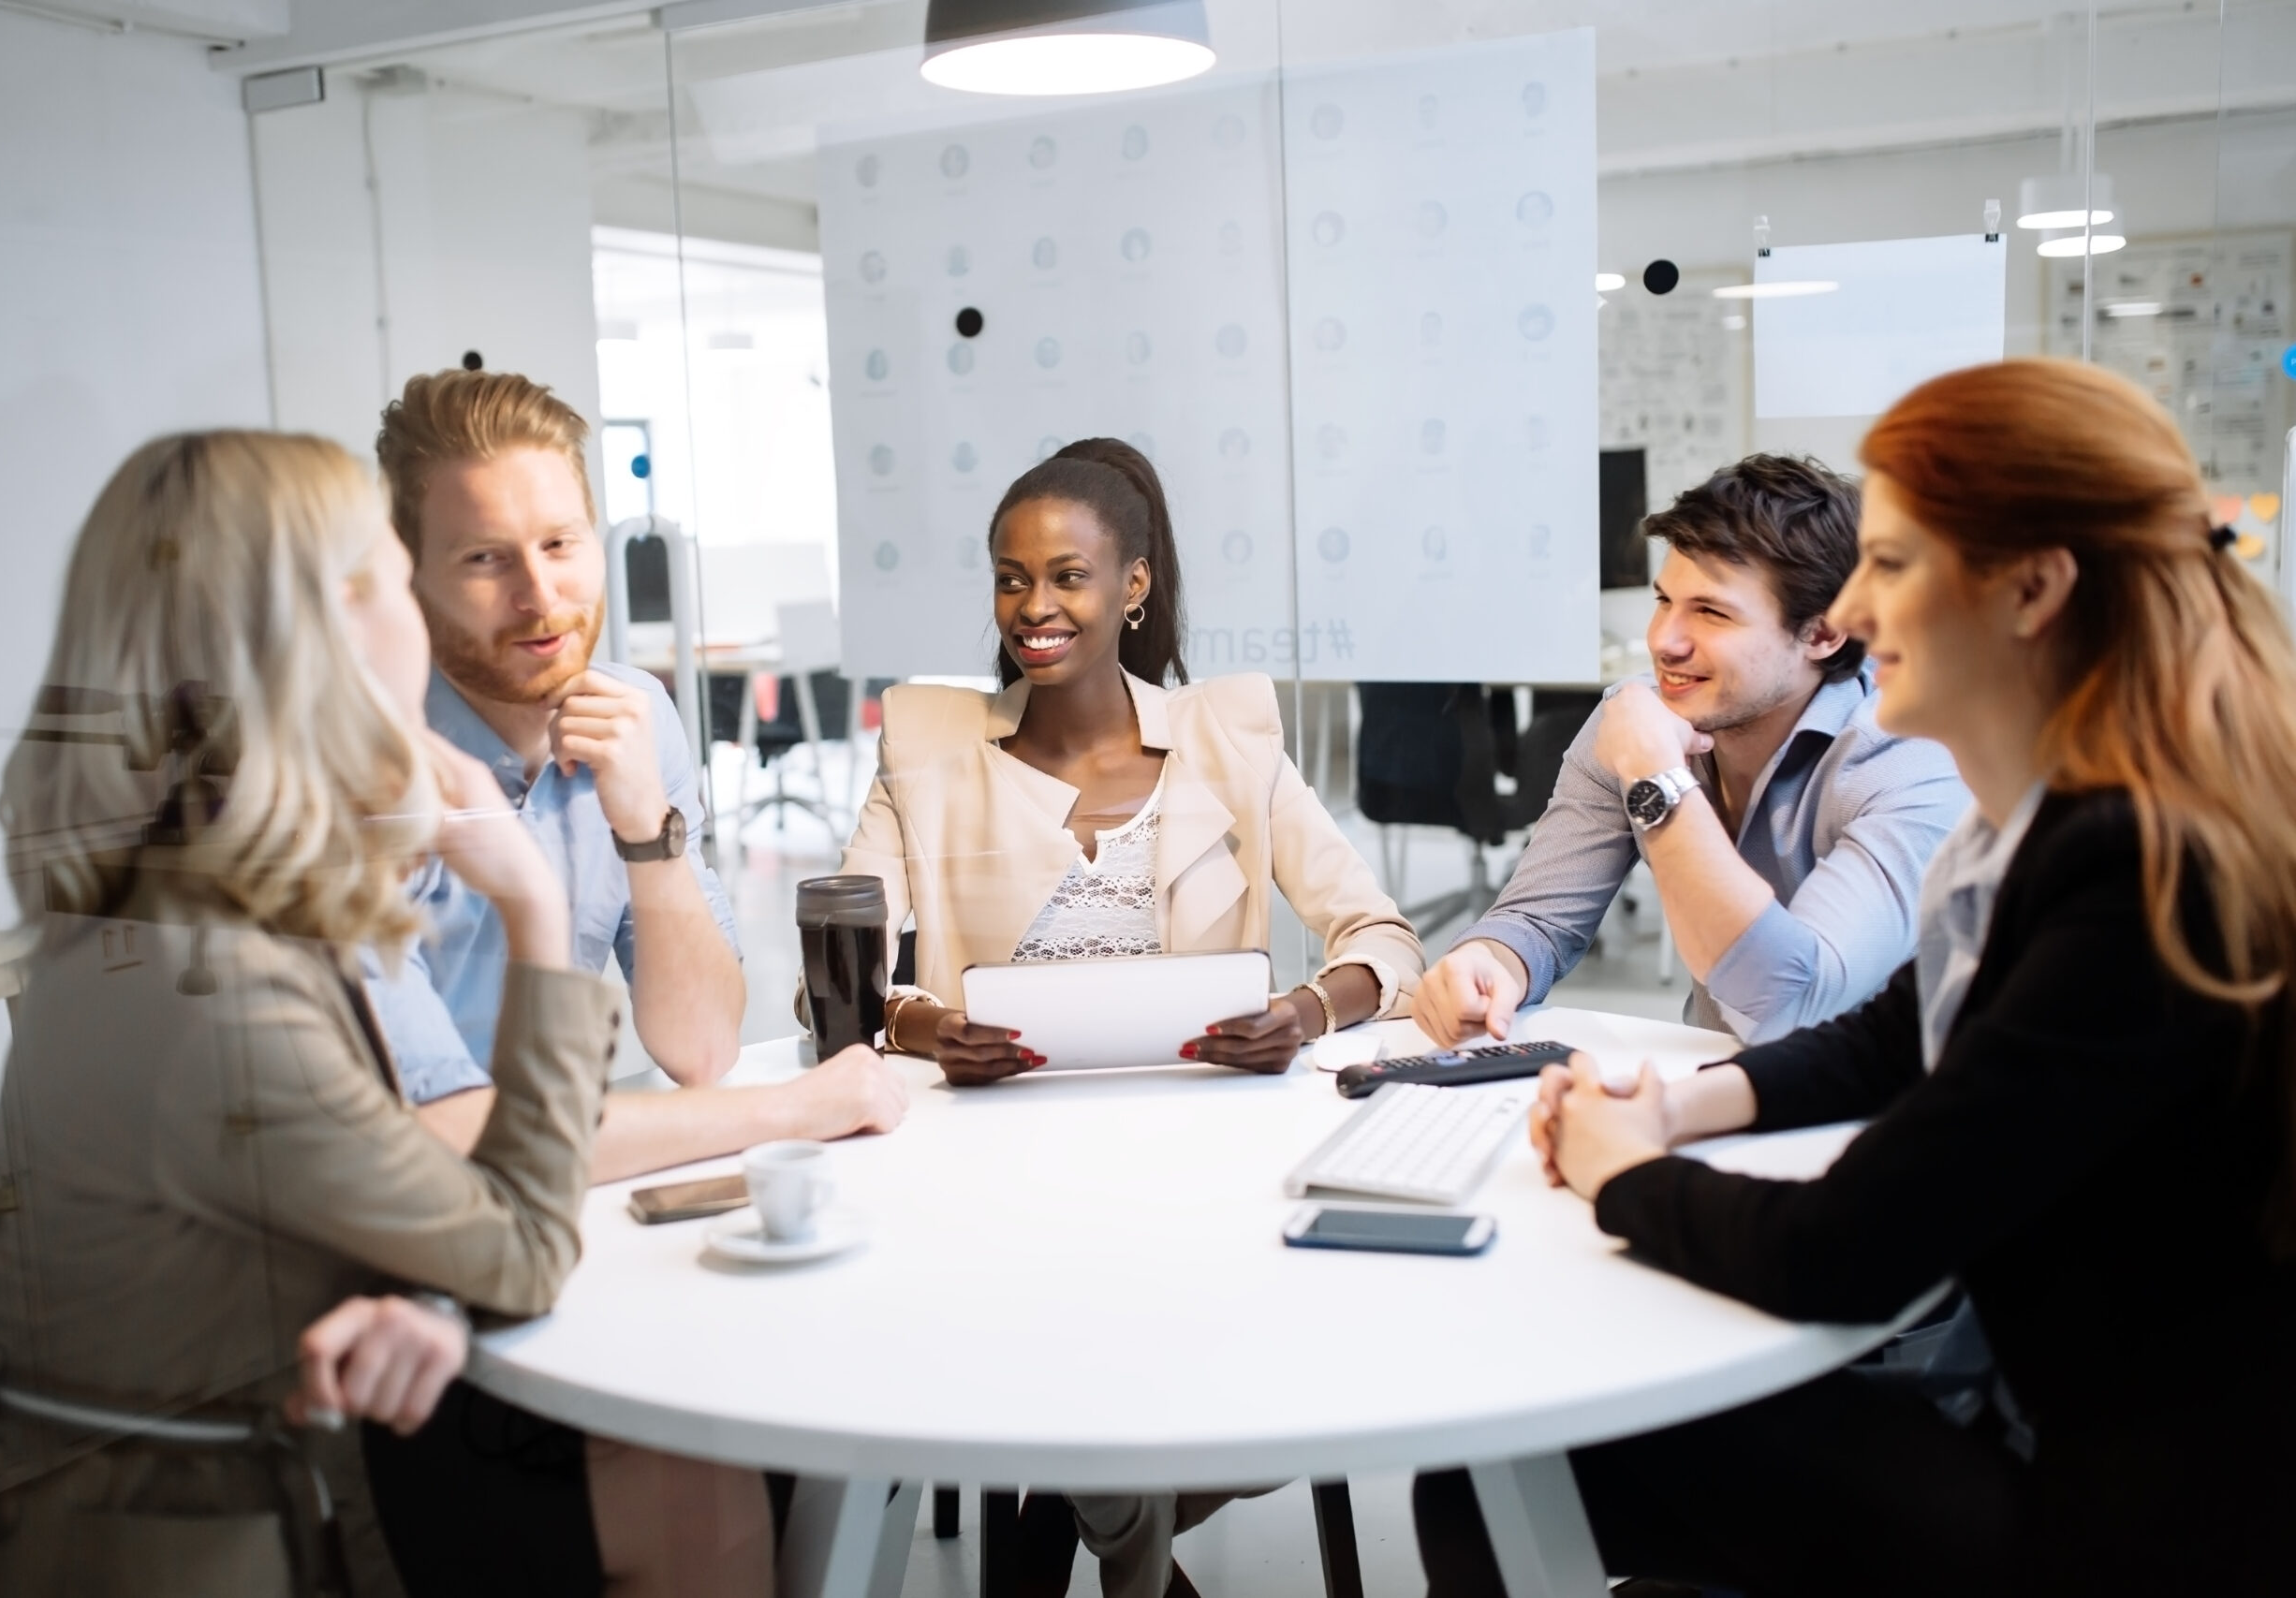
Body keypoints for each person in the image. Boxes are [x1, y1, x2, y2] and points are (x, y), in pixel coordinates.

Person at [1413, 359, 2296, 1596]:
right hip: (2072, 1425)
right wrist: (1676, 1106)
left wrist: (1623, 1170)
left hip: (2126, 1517)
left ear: (2032, 589)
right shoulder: (2073, 820)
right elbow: (1892, 1034)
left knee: (1498, 1469)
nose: (1861, 613)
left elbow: (1843, 1247)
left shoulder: (2132, 868)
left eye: (1891, 564)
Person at [0, 432, 639, 1594]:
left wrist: (417, 1292)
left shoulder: (173, 896)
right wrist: (532, 905)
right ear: (336, 625)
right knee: (692, 1487)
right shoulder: (220, 991)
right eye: (398, 575)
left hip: (151, 1505)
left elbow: (302, 1200)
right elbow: (523, 1253)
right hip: (182, 1550)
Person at [829, 436, 1424, 1596]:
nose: (1033, 607)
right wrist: (927, 1028)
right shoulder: (928, 751)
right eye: (1012, 578)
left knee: (1258, 1357)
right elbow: (844, 977)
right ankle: (1141, 1566)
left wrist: (1302, 1011)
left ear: (1132, 585)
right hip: (999, 1174)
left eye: (1068, 576)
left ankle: (1098, 1531)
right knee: (1059, 1330)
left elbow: (1385, 943)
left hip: (1203, 1164)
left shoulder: (1229, 742)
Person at [370, 369, 906, 1179]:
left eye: (560, 544)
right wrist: (796, 1108)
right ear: (410, 578)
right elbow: (441, 1135)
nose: (539, 595)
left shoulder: (637, 713)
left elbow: (702, 1049)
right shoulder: (356, 773)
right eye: (485, 558)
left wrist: (647, 829)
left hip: (560, 1192)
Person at [1414, 455, 1965, 1048]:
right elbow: (1537, 919)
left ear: (1824, 633)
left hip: (1889, 1094)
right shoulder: (1636, 720)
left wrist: (1656, 778)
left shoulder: (1911, 759)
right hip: (1714, 1078)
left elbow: (1791, 1004)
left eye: (1710, 612)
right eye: (1663, 601)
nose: (1662, 641)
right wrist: (1488, 961)